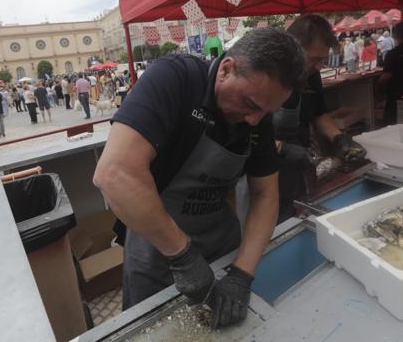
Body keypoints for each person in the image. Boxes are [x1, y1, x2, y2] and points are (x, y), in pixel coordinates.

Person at [93, 28, 305, 329]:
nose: (255, 121)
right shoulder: (174, 79)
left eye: (266, 112)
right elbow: (114, 173)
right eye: (252, 105)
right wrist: (183, 256)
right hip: (157, 252)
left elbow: (265, 194)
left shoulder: (258, 111)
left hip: (221, 246)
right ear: (227, 69)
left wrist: (242, 274)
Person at [273, 15, 367, 221]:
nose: (319, 67)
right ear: (292, 48)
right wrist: (283, 149)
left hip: (301, 160)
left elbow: (318, 114)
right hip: (265, 169)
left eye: (322, 60)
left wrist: (339, 138)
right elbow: (245, 134)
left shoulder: (311, 74)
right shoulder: (268, 75)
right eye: (315, 59)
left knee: (302, 214)